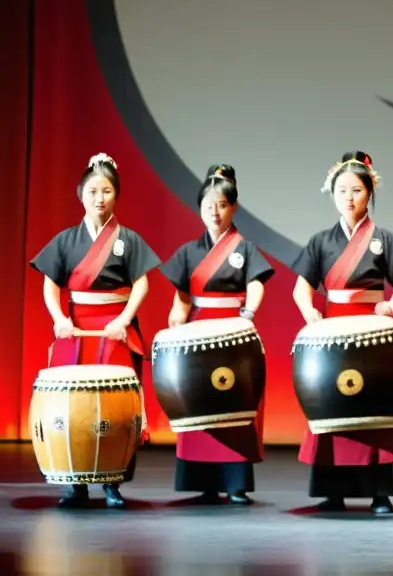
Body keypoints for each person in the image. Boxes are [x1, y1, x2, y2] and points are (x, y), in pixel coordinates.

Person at [28, 152, 161, 508]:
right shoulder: (66, 241)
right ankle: (75, 482)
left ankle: (113, 482)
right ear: (81, 195)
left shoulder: (127, 239)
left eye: (106, 191)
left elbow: (142, 285)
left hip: (116, 327)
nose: (99, 198)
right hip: (75, 329)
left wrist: (123, 320)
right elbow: (49, 286)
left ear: (116, 195)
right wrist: (59, 318)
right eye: (92, 191)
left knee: (115, 410)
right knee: (73, 409)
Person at [291, 151, 393, 515]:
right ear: (332, 194)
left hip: (372, 332)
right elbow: (301, 288)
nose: (349, 197)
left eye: (356, 190)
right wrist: (309, 312)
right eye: (342, 190)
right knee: (332, 407)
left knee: (374, 410)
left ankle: (379, 492)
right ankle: (333, 491)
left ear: (369, 192)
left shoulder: (384, 239)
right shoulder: (320, 241)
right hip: (332, 332)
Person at [159, 165, 275, 505]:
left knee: (234, 406)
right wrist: (176, 320)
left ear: (233, 208)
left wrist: (249, 315)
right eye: (209, 204)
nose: (215, 211)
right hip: (197, 332)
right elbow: (181, 296)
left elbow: (255, 284)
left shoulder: (244, 248)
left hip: (234, 333)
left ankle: (236, 482)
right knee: (197, 402)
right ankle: (202, 480)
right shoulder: (187, 252)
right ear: (199, 207)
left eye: (222, 204)